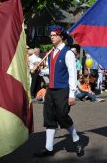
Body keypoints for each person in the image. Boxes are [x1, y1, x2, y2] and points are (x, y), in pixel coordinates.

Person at [34, 25, 83, 157]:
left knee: (62, 116)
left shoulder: (68, 53)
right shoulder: (51, 53)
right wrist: (41, 71)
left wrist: (72, 94)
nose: (51, 36)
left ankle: (77, 140)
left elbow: (73, 74)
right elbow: (52, 71)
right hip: (51, 90)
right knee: (49, 118)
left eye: (54, 35)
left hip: (63, 90)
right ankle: (48, 148)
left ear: (61, 37)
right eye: (50, 35)